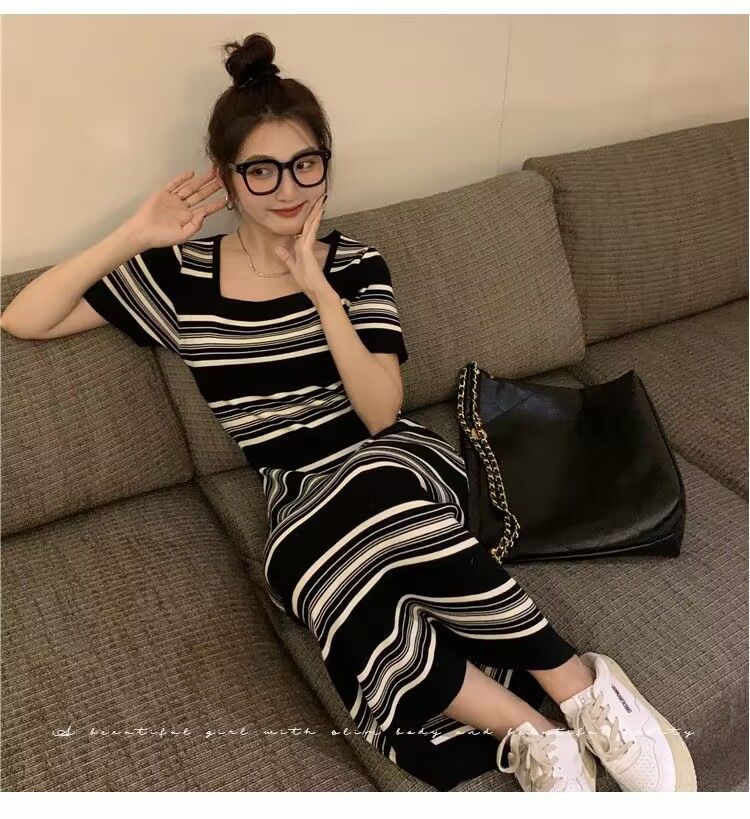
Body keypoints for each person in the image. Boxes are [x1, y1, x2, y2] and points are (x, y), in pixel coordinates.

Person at [0, 32, 697, 794]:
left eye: (306, 163)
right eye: (260, 170)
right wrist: (136, 234)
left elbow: (380, 409)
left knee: (369, 492)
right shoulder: (181, 278)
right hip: (295, 492)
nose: (287, 187)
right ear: (227, 179)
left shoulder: (356, 264)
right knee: (311, 574)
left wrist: (319, 290)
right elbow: (25, 317)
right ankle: (531, 730)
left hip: (391, 461)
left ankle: (580, 685)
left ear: (326, 165)